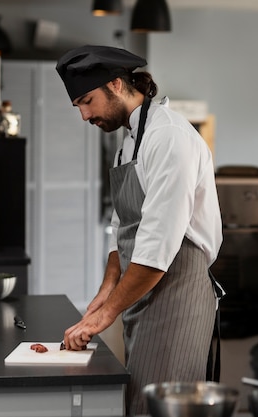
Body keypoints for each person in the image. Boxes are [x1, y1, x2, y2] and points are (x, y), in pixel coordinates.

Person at [55, 45, 224, 416]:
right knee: (141, 402)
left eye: (87, 101)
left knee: (158, 407)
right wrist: (107, 289)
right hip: (144, 292)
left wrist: (106, 314)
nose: (84, 115)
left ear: (116, 84)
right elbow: (124, 226)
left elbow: (157, 246)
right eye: (78, 107)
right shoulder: (130, 140)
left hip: (176, 291)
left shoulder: (169, 138)